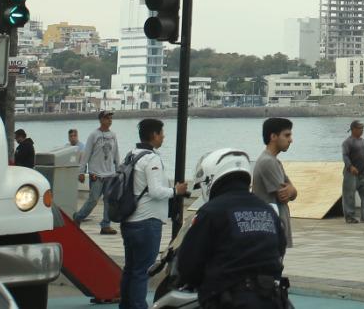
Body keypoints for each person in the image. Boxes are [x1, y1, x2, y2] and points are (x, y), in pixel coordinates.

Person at [175, 148, 289, 309]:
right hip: (272, 298)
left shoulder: (211, 213)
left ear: (211, 179)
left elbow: (189, 263)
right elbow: (280, 249)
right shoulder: (267, 210)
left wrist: (196, 281)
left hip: (229, 299)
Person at [121, 117, 189, 309]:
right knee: (142, 270)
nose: (163, 137)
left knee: (130, 269)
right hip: (147, 221)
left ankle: (126, 305)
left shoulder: (131, 155)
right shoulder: (152, 159)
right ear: (154, 135)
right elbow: (156, 191)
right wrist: (177, 191)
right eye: (162, 133)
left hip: (130, 220)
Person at [252, 117, 297, 249]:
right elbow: (284, 196)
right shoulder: (268, 162)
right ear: (273, 136)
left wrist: (292, 190)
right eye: (287, 135)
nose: (291, 140)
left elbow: (292, 193)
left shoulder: (274, 161)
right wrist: (291, 190)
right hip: (272, 231)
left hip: (274, 230)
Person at [74, 110, 121, 233]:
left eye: (110, 118)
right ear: (101, 120)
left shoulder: (113, 135)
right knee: (93, 200)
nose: (109, 120)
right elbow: (86, 154)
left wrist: (119, 170)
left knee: (108, 200)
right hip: (96, 174)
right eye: (107, 118)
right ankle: (78, 217)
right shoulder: (93, 135)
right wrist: (81, 171)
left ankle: (105, 225)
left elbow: (115, 153)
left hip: (110, 174)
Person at [341, 120, 364, 223]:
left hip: (362, 172)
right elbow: (345, 156)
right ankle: (349, 217)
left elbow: (363, 156)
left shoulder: (362, 141)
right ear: (354, 129)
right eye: (360, 128)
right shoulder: (347, 142)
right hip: (351, 173)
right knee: (349, 195)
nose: (362, 130)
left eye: (363, 128)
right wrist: (350, 166)